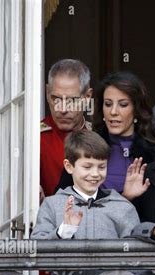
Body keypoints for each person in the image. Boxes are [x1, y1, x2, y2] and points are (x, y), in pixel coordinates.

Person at [32, 130, 140, 275]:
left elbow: (138, 262)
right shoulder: (52, 205)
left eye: (101, 166)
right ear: (69, 166)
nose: (95, 174)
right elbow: (37, 253)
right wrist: (62, 232)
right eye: (87, 167)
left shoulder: (123, 207)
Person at [55, 71, 155, 193]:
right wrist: (126, 197)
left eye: (123, 104)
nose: (113, 111)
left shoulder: (154, 152)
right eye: (108, 104)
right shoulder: (85, 146)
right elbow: (61, 198)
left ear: (136, 110)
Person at [41, 59, 92, 198]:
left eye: (72, 101)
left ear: (87, 97)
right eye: (56, 99)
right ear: (47, 92)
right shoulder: (33, 139)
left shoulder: (100, 136)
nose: (62, 109)